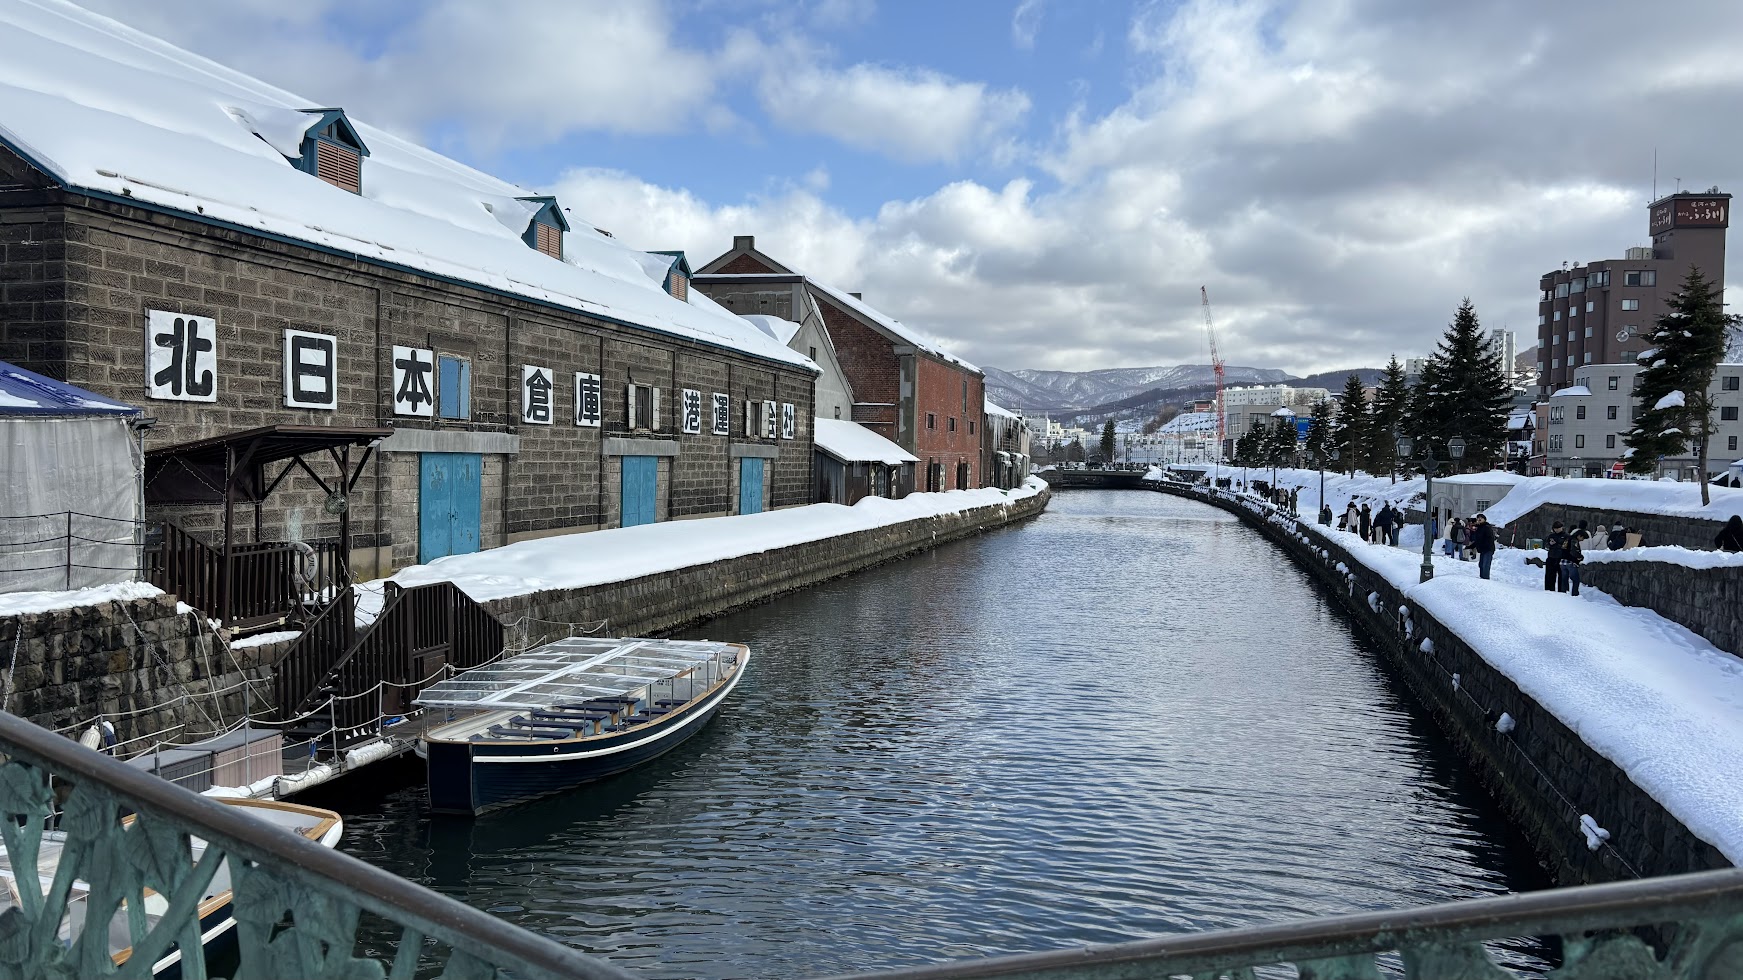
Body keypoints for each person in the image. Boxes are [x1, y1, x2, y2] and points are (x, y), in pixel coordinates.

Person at [1563, 521, 1591, 597]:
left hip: (1562, 561)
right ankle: (1575, 594)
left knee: (1564, 579)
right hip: (1570, 562)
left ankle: (1564, 593)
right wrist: (1580, 557)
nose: (1582, 540)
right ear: (1579, 536)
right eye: (1582, 538)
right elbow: (1573, 551)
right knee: (1576, 579)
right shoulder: (1574, 541)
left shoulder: (1567, 539)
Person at [1470, 514, 1498, 579]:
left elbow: (1490, 538)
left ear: (1484, 519)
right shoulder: (1480, 528)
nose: (1479, 519)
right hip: (1482, 549)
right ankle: (1482, 578)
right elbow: (1478, 539)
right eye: (1478, 518)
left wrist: (1483, 544)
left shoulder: (1487, 527)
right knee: (1481, 565)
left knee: (1485, 565)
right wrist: (1471, 546)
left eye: (1481, 518)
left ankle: (1485, 579)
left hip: (1488, 549)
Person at [1544, 520, 1568, 592]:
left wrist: (1556, 544)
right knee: (1550, 575)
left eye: (1558, 528)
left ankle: (1562, 590)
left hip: (1561, 558)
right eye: (1555, 528)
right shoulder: (1551, 536)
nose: (1556, 530)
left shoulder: (1566, 536)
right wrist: (1550, 544)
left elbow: (1566, 546)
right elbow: (1546, 544)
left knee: (1562, 576)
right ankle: (1549, 589)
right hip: (1551, 557)